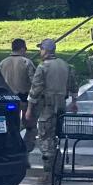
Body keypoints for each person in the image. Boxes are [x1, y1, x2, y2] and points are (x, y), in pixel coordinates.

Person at [26, 38, 78, 174]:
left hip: (47, 107)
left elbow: (35, 89)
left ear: (46, 50)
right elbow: (73, 85)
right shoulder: (65, 65)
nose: (40, 52)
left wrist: (29, 109)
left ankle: (49, 172)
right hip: (61, 106)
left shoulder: (43, 67)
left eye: (41, 49)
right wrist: (74, 102)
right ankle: (58, 169)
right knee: (55, 138)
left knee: (45, 138)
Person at [0, 39, 36, 152]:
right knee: (30, 126)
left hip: (7, 99)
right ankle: (26, 148)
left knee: (10, 124)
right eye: (25, 49)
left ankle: (9, 146)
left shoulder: (3, 63)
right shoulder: (27, 62)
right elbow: (34, 82)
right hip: (24, 99)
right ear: (22, 48)